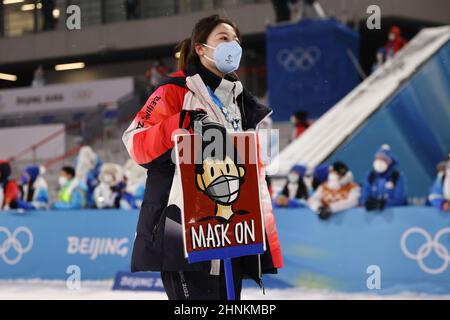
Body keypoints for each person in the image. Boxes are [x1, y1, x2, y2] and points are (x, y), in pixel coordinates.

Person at [122, 14, 283, 300]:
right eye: (223, 38)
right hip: (183, 232)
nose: (232, 45)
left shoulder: (239, 99)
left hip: (231, 230)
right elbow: (135, 143)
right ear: (200, 48)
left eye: (236, 40)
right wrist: (177, 124)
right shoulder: (173, 90)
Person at [360, 144, 407, 211]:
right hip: (372, 216)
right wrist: (369, 203)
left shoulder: (397, 176)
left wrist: (384, 204)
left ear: (390, 161)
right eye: (378, 158)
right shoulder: (370, 176)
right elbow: (363, 197)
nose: (379, 162)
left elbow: (399, 200)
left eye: (383, 159)